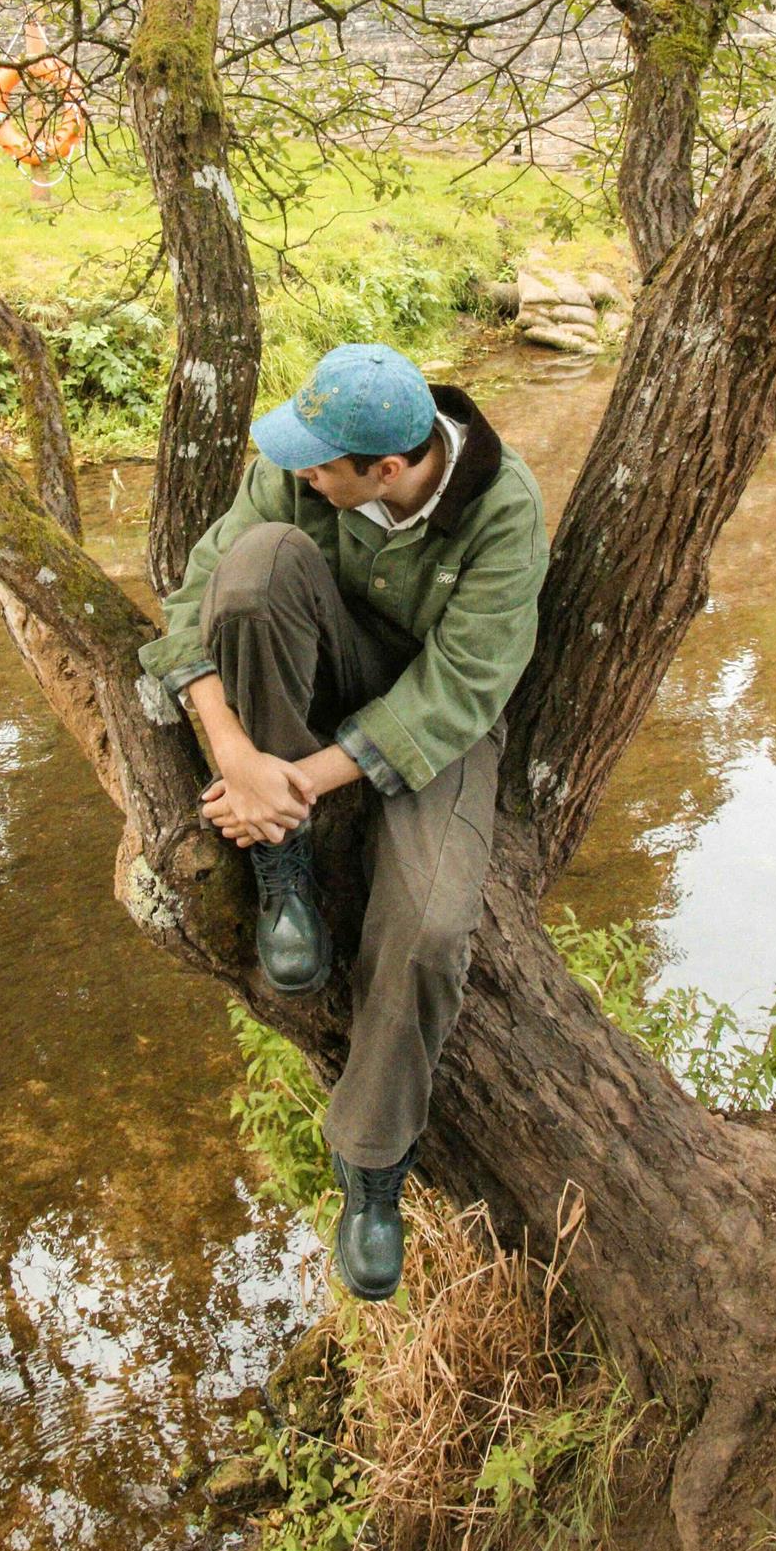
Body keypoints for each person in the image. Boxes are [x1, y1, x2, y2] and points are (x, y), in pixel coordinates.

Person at [138, 342, 548, 1299]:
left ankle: (369, 1171)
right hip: (307, 694)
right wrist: (236, 757)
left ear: (390, 470)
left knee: (432, 932)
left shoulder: (503, 513)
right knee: (255, 565)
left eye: (322, 464)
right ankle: (284, 870)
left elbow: (460, 694)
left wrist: (300, 781)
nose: (301, 472)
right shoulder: (300, 468)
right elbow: (197, 600)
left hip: (434, 725)